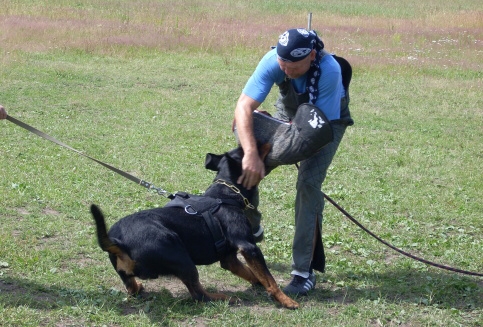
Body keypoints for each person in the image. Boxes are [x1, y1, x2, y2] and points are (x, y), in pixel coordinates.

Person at [233, 28, 353, 296]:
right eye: (282, 64)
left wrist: (270, 149)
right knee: (243, 167)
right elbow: (243, 107)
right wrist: (252, 153)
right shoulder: (273, 60)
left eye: (294, 66)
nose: (286, 70)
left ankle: (303, 272)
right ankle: (250, 226)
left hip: (325, 126)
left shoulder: (330, 72)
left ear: (312, 56)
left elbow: (313, 135)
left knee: (308, 185)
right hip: (286, 115)